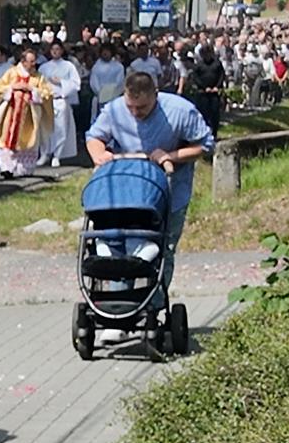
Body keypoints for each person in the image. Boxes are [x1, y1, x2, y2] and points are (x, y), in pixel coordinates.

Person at [84, 71, 214, 294]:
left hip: (169, 188)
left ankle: (155, 300)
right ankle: (120, 300)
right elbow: (94, 136)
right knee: (118, 245)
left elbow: (205, 145)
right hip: (125, 191)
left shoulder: (180, 111)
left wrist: (170, 156)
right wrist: (99, 154)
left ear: (155, 95)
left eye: (142, 108)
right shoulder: (114, 110)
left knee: (165, 247)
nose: (135, 113)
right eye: (131, 107)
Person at [0, 49, 55, 180]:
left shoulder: (38, 77)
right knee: (7, 140)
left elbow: (47, 93)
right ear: (23, 62)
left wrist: (32, 89)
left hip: (29, 116)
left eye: (34, 61)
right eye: (31, 61)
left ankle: (24, 168)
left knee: (28, 140)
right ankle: (7, 168)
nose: (33, 64)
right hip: (11, 113)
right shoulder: (11, 73)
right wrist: (13, 87)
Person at [39, 42, 82, 166]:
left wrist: (62, 82)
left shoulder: (68, 66)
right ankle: (45, 153)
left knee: (61, 129)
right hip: (47, 101)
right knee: (45, 129)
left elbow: (76, 84)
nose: (55, 51)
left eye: (57, 49)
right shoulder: (44, 67)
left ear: (62, 51)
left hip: (60, 99)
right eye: (53, 49)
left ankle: (57, 155)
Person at [185, 45, 227, 137]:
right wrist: (204, 87)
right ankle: (205, 133)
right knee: (203, 113)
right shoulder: (199, 65)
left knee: (215, 113)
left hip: (214, 92)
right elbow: (195, 77)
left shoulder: (217, 63)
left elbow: (221, 75)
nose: (207, 55)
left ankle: (214, 133)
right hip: (203, 93)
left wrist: (217, 87)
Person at [88, 43, 127, 121]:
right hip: (99, 98)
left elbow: (120, 82)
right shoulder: (96, 67)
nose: (105, 53)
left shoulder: (119, 67)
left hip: (114, 98)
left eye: (108, 51)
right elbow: (94, 82)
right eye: (104, 51)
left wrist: (111, 93)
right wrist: (101, 93)